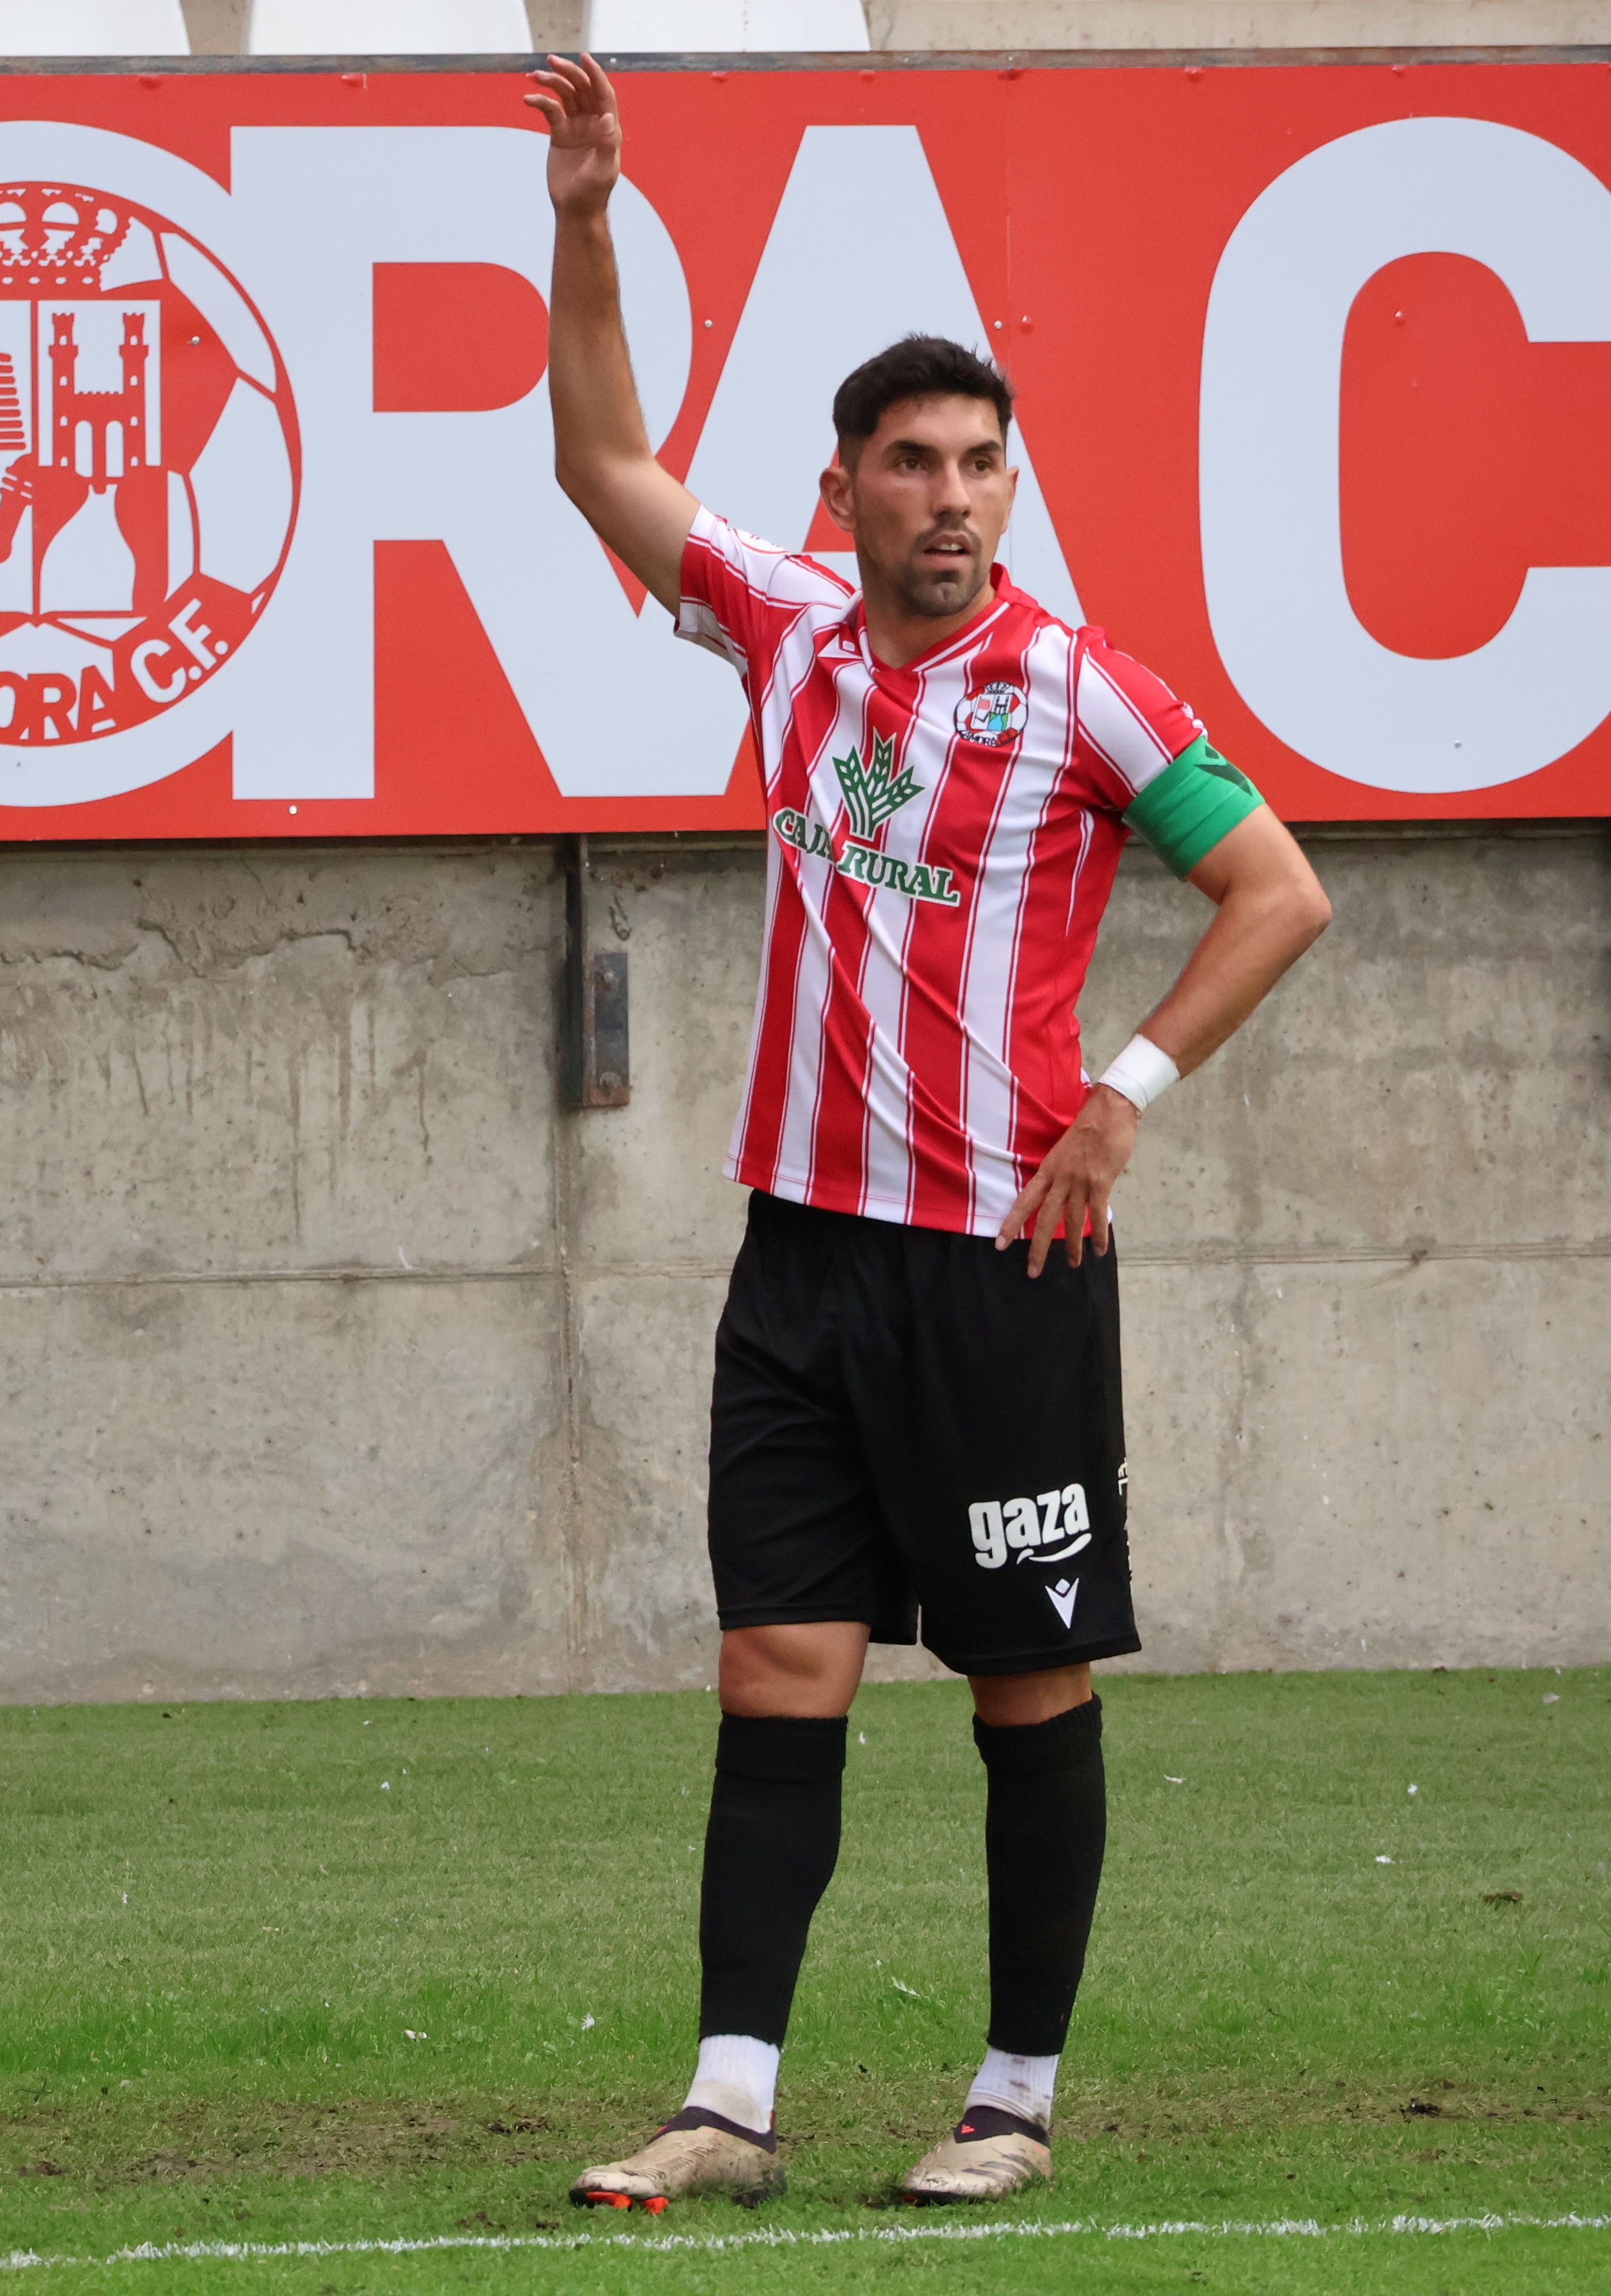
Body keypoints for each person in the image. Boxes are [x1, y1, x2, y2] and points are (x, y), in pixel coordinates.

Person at [521, 55, 1333, 2209]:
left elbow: (1279, 892)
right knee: (777, 1667)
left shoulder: (1086, 692)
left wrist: (1124, 1100)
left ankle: (1014, 2101)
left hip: (1003, 1261)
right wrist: (591, 214)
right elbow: (604, 449)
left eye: (984, 463)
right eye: (915, 464)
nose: (955, 498)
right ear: (850, 485)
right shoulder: (783, 627)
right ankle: (729, 2103)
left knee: (1020, 1680)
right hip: (801, 1255)